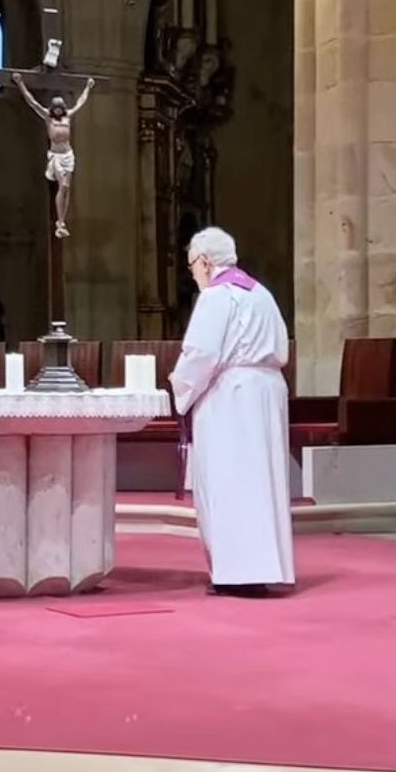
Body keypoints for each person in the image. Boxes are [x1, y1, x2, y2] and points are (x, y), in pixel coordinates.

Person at [168, 227, 295, 597]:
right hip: (265, 393)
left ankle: (236, 573)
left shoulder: (216, 296)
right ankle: (262, 567)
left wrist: (179, 382)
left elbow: (202, 354)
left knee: (229, 482)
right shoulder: (261, 293)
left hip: (231, 398)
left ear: (206, 262)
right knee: (260, 483)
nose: (193, 274)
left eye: (193, 265)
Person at [11, 72, 94, 239]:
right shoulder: (48, 118)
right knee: (62, 185)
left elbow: (80, 103)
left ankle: (62, 221)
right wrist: (20, 83)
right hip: (56, 156)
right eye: (55, 108)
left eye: (59, 108)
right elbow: (32, 102)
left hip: (68, 155)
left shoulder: (67, 116)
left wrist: (88, 88)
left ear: (62, 107)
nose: (57, 110)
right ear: (52, 108)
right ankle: (60, 222)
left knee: (67, 188)